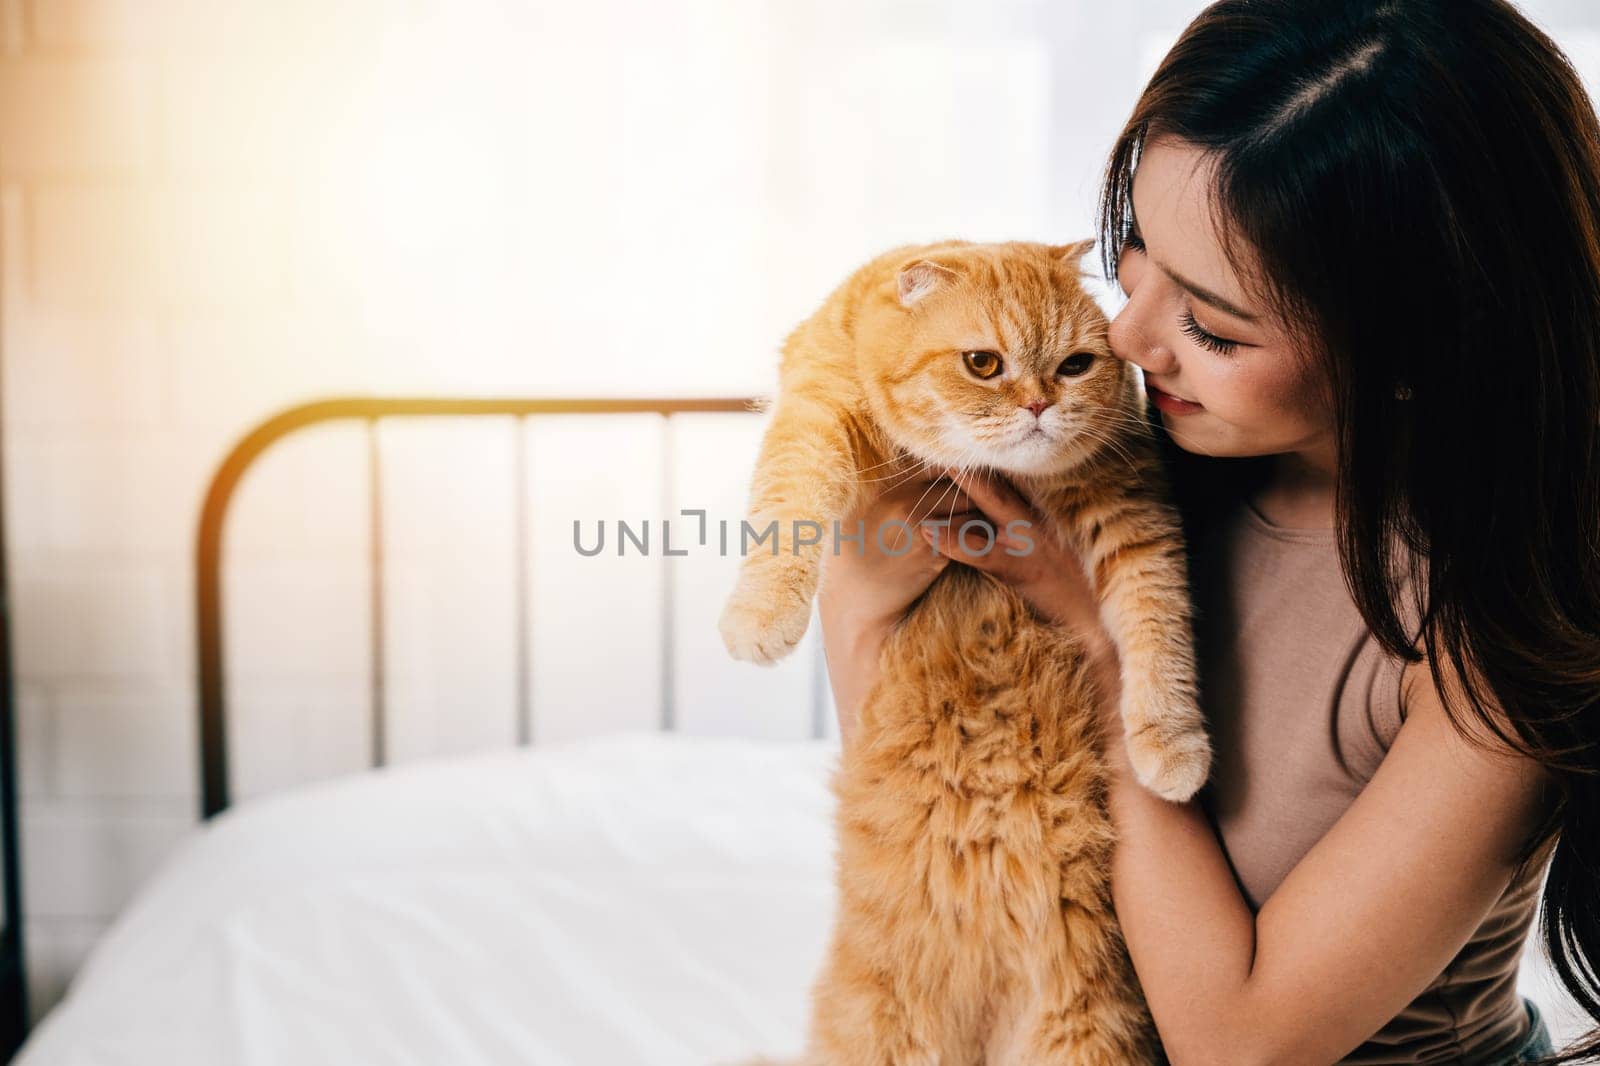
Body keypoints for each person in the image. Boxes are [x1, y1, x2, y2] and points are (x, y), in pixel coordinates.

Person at [815, 1, 1600, 1063]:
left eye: (1211, 325)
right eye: (1130, 262)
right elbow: (935, 813)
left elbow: (1239, 1044)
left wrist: (1103, 646)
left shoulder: (1501, 627)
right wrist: (859, 594)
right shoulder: (1136, 469)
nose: (1128, 340)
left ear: (1420, 350)